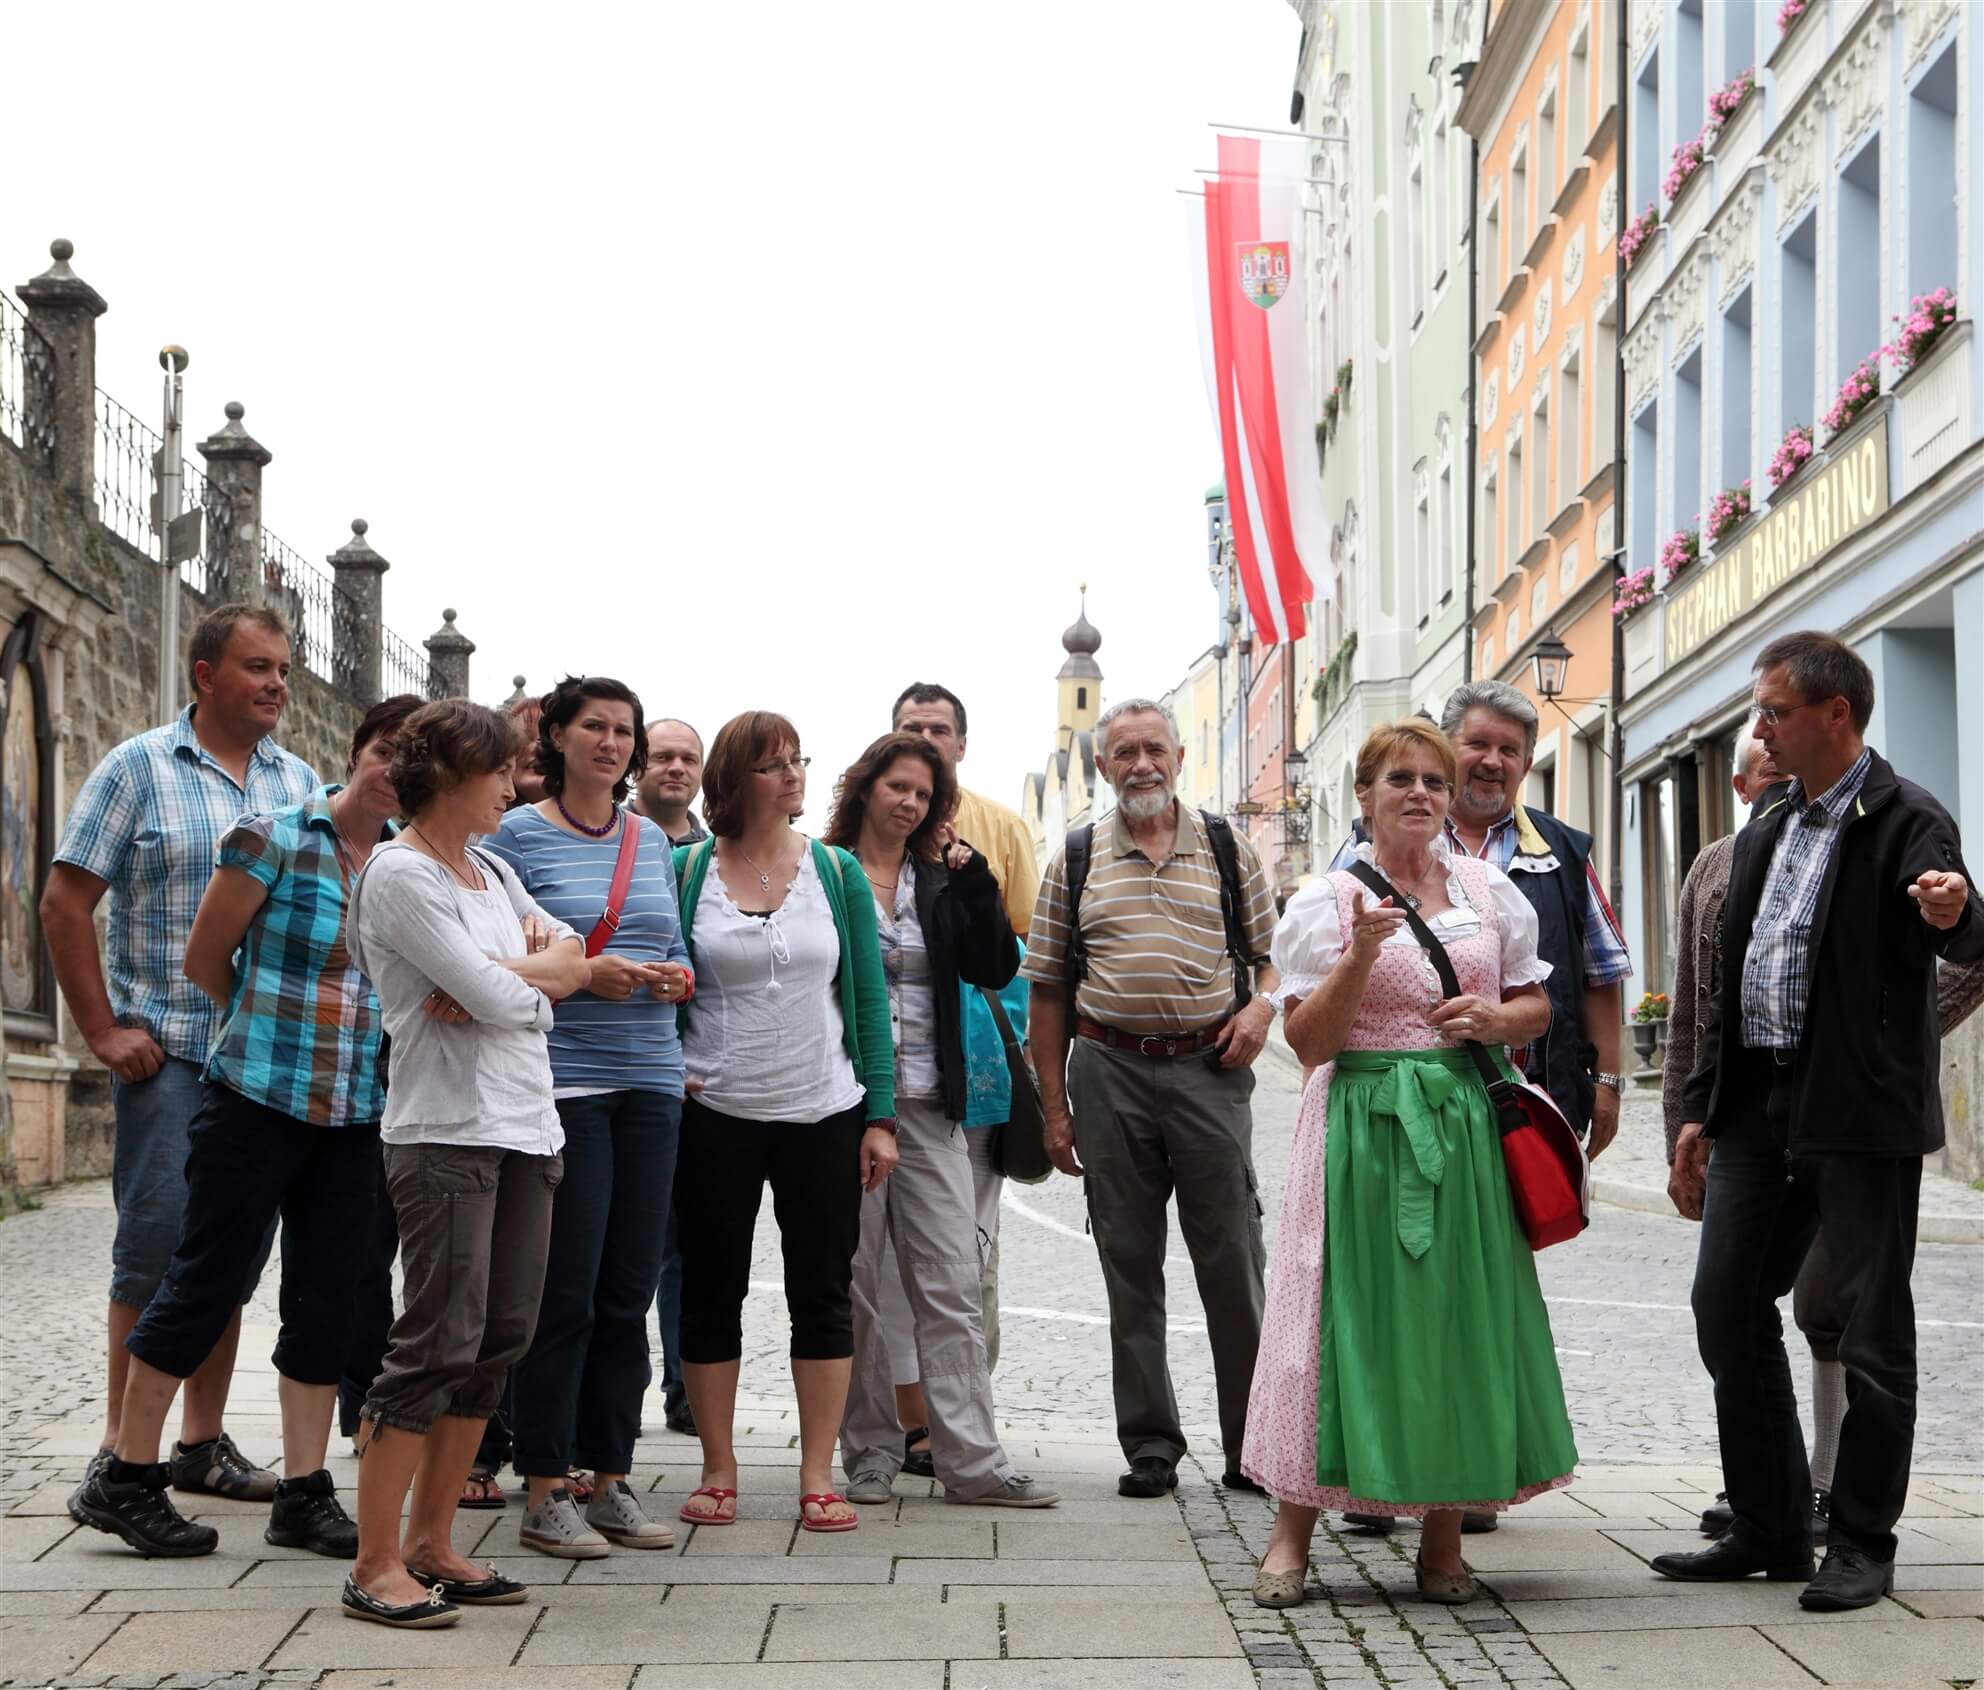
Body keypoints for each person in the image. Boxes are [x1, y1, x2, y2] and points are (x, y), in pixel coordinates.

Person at [1658, 632, 1983, 1612]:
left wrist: (1950, 910)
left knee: (1874, 1334)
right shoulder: (1766, 823)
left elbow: (1967, 927)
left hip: (1858, 1118)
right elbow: (1735, 974)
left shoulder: (1904, 816)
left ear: (1833, 714)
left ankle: (1862, 1541)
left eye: (1774, 711)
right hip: (1757, 1110)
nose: (1757, 728)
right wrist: (1700, 1111)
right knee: (1726, 1304)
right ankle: (1768, 1523)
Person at [70, 696, 418, 1558]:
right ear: (357, 750)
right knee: (207, 1279)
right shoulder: (276, 834)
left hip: (354, 1111)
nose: (392, 772)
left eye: (411, 762)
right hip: (254, 1099)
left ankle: (303, 1491)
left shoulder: (406, 865)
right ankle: (125, 1471)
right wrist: (257, 1030)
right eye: (384, 751)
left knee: (326, 1297)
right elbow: (202, 958)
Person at [1244, 718, 1576, 1609]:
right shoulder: (1327, 897)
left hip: (1463, 1117)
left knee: (1457, 1317)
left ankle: (1441, 1545)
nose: (1422, 793)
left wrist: (1498, 1022)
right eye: (1401, 779)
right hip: (1359, 1117)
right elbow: (1310, 1043)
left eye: (1433, 778)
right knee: (1328, 1313)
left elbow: (1538, 1003)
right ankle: (1289, 1537)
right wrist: (1358, 952)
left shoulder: (1486, 887)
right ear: (1366, 796)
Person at [43, 604, 318, 1518]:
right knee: (154, 1253)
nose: (277, 683)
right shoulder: (138, 768)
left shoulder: (298, 782)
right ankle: (125, 1456)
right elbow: (64, 900)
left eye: (283, 668)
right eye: (258, 668)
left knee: (228, 1257)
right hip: (166, 1055)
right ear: (204, 675)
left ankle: (201, 1445)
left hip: (261, 1066)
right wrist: (100, 1030)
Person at [343, 700, 589, 1628]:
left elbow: (568, 960)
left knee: (499, 1339)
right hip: (445, 1130)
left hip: (529, 1126)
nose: (514, 783)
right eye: (500, 770)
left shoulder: (487, 868)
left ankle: (433, 1543)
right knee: (436, 1342)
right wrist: (520, 980)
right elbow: (511, 987)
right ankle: (374, 1562)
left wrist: (517, 978)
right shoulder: (401, 875)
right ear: (449, 773)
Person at [1022, 697, 1280, 1500]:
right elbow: (1047, 991)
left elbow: (1276, 960)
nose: (1141, 764)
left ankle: (1253, 1445)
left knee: (1233, 1262)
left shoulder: (1230, 848)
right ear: (1102, 766)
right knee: (1127, 1263)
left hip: (1210, 1070)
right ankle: (1152, 1444)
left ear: (1177, 755)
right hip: (1110, 1071)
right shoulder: (1076, 855)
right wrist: (1055, 1109)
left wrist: (1260, 1007)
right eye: (1124, 752)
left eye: (1154, 749)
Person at [670, 711, 898, 1535]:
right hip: (714, 1111)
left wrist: (880, 1116)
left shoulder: (834, 873)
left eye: (797, 760)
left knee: (823, 1291)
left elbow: (867, 1000)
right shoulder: (686, 869)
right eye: (772, 765)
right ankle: (719, 1467)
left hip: (822, 1110)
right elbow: (667, 984)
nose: (793, 775)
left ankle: (816, 1475)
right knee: (710, 1287)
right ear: (734, 781)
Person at [487, 677, 694, 1559]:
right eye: (595, 728)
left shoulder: (650, 841)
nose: (611, 743)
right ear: (558, 738)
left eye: (624, 731)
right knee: (562, 1291)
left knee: (628, 1288)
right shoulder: (514, 838)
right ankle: (542, 1487)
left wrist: (674, 977)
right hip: (563, 1084)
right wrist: (590, 974)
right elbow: (501, 960)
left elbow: (676, 948)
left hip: (653, 1079)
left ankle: (609, 1476)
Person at [824, 733, 1056, 1509]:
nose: (909, 803)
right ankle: (870, 1451)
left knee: (951, 1282)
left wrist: (977, 886)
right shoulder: (824, 874)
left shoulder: (942, 879)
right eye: (897, 787)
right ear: (865, 790)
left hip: (930, 1108)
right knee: (853, 1284)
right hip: (843, 1108)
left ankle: (972, 1462)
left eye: (923, 794)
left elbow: (994, 968)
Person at [889, 681, 1041, 1471]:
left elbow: (1019, 958)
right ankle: (900, 1420)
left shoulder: (1001, 828)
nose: (928, 739)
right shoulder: (868, 826)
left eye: (940, 729)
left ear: (961, 743)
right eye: (913, 728)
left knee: (964, 1251)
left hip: (976, 1072)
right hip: (888, 1078)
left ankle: (959, 1411)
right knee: (882, 1261)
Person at [629, 715, 706, 1439]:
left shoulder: (714, 857)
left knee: (687, 1241)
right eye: (662, 756)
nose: (675, 768)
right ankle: (623, 1383)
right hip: (626, 1071)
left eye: (688, 757)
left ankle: (686, 1389)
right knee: (630, 1245)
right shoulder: (614, 842)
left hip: (696, 1082)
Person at [631, 717, 709, 845]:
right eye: (662, 757)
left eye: (689, 760)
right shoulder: (604, 836)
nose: (678, 768)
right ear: (634, 767)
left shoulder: (714, 854)